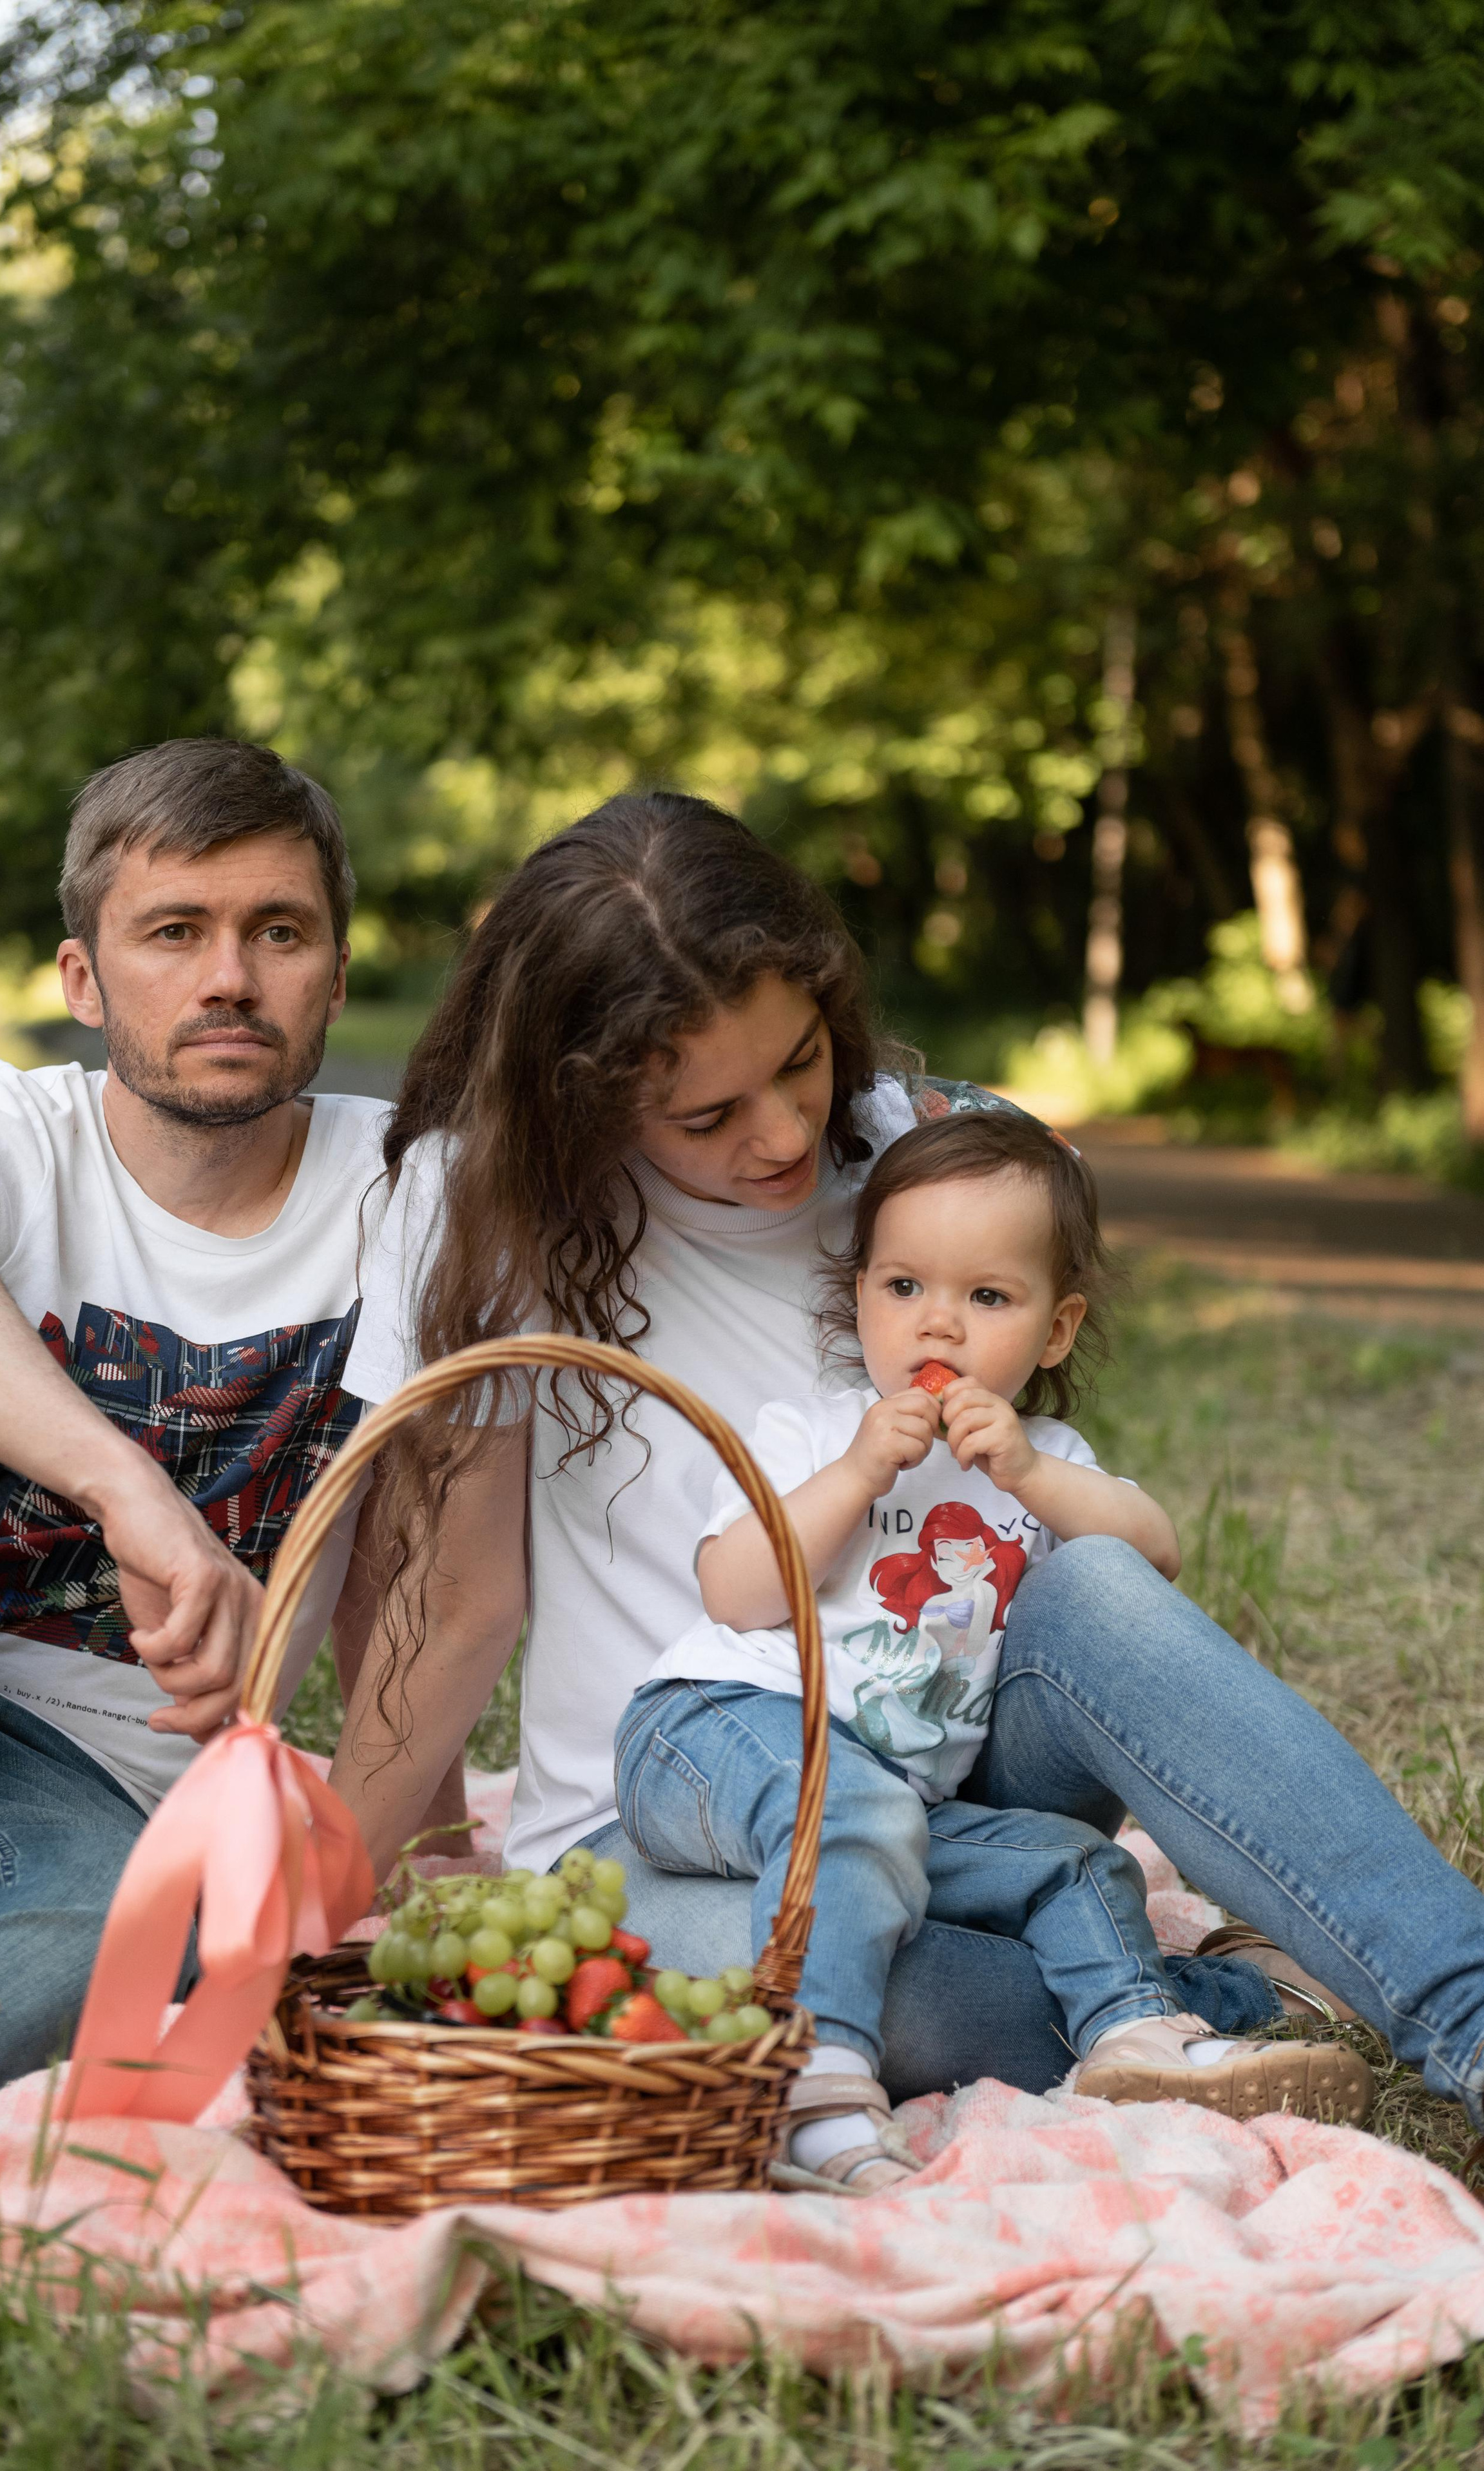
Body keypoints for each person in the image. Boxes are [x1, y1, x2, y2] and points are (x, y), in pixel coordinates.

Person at [336, 788, 1484, 2120]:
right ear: (574, 1100)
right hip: (673, 1806)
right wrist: (338, 1901)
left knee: (1098, 1581)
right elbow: (456, 1598)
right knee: (847, 1993)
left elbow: (1055, 1449)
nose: (776, 1135)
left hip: (950, 1755)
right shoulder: (479, 1206)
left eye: (798, 1061)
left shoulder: (912, 1150)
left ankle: (1462, 2008)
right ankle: (1213, 2000)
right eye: (704, 1117)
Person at [617, 1112, 1369, 2191]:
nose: (941, 1327)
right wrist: (855, 1477)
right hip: (713, 1728)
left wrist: (1026, 1473)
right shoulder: (815, 1429)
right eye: (905, 1287)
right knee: (856, 1810)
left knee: (1075, 1860)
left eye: (988, 1297)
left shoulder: (1046, 1460)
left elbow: (1150, 1554)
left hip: (895, 1804)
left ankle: (1139, 2040)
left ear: (1056, 1330)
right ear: (860, 1294)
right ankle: (816, 2079)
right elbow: (732, 1589)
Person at [0, 737, 382, 2144]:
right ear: (82, 980)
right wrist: (126, 1488)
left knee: (97, 1950)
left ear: (334, 967)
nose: (228, 980)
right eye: (174, 932)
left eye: (278, 932)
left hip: (38, 1781)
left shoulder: (406, 1188)